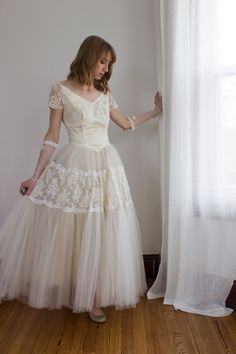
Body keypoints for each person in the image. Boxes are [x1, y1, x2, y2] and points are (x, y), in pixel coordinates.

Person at [0, 35, 162, 324]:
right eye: (102, 61)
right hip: (76, 165)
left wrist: (155, 112)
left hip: (106, 167)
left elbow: (125, 124)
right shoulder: (60, 90)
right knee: (75, 229)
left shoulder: (106, 93)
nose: (105, 68)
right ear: (89, 57)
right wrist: (35, 176)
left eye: (109, 64)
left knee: (103, 228)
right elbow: (52, 136)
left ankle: (94, 299)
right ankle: (80, 290)